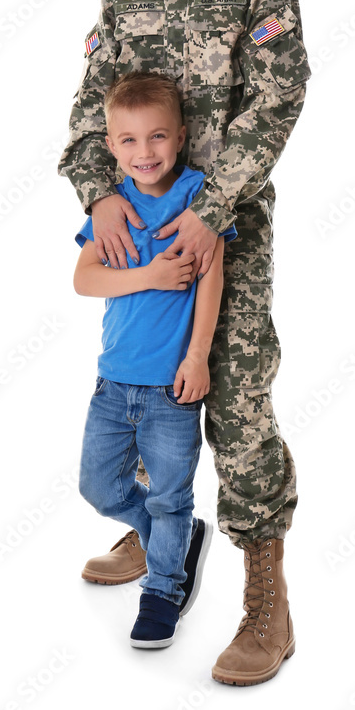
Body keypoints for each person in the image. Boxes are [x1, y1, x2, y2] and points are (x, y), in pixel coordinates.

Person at [59, 0, 311, 684]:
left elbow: (279, 94)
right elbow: (92, 112)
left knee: (235, 401)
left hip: (227, 224)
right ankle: (157, 529)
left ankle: (265, 603)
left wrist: (214, 207)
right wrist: (101, 193)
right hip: (140, 226)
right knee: (134, 388)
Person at [74, 71, 236, 648]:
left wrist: (197, 357)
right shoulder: (113, 207)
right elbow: (85, 279)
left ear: (182, 135)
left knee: (170, 494)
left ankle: (164, 589)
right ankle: (175, 537)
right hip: (113, 382)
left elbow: (212, 280)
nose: (145, 152)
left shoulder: (197, 197)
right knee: (99, 486)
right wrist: (150, 275)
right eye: (130, 141)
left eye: (159, 137)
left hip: (171, 388)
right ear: (112, 146)